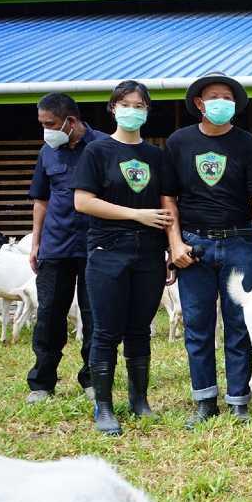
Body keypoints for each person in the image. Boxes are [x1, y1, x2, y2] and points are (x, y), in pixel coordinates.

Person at [162, 72, 252, 428]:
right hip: (194, 243)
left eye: (228, 97)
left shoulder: (247, 144)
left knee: (240, 324)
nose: (221, 102)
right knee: (197, 324)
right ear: (199, 104)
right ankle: (204, 401)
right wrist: (174, 242)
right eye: (214, 97)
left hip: (239, 241)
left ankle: (239, 399)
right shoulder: (179, 142)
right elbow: (168, 198)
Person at [72, 80, 172, 435]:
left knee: (139, 329)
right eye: (126, 103)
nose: (133, 110)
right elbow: (83, 202)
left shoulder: (156, 156)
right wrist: (136, 215)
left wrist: (171, 249)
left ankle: (139, 400)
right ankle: (103, 406)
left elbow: (167, 205)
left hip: (148, 253)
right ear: (113, 108)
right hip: (107, 251)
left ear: (147, 111)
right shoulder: (97, 152)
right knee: (105, 331)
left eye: (140, 105)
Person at [25, 92, 103, 404]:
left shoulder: (103, 147)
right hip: (55, 247)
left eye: (51, 123)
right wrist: (35, 241)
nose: (46, 130)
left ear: (71, 121)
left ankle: (93, 378)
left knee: (95, 317)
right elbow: (41, 199)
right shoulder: (48, 152)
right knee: (49, 316)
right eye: (42, 124)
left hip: (95, 245)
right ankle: (42, 382)